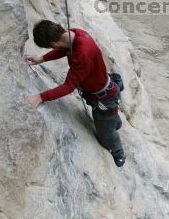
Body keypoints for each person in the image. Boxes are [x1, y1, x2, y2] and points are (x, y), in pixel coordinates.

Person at [24, 20, 126, 167]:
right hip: (104, 91)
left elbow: (68, 87)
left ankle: (118, 151)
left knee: (105, 134)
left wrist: (40, 97)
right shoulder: (75, 34)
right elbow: (63, 49)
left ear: (53, 43)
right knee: (109, 117)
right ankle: (115, 121)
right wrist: (41, 59)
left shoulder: (82, 54)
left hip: (104, 98)